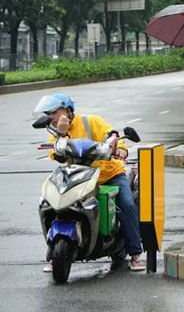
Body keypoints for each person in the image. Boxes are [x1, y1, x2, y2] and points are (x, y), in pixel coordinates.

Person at [35, 93, 146, 272]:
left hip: (109, 174)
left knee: (127, 206)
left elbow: (112, 134)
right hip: (80, 177)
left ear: (67, 110)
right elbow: (58, 156)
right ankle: (54, 253)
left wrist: (120, 149)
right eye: (48, 114)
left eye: (54, 112)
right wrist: (61, 133)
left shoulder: (90, 121)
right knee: (54, 204)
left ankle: (135, 254)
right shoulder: (55, 132)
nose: (51, 117)